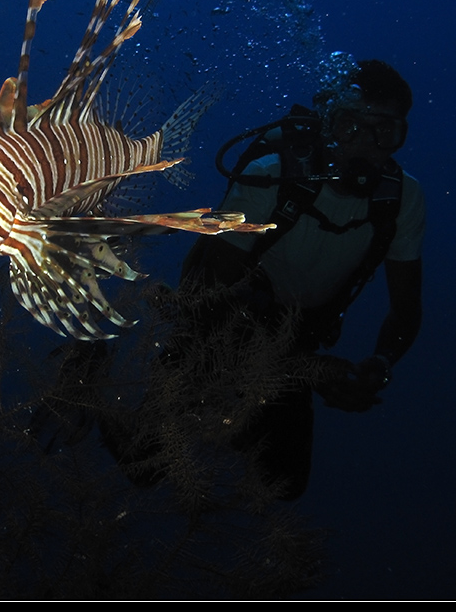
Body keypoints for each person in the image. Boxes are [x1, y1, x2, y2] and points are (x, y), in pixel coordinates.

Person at [166, 58, 426, 499]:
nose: (365, 145)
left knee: (282, 486)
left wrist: (379, 366)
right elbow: (211, 293)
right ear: (327, 125)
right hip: (220, 324)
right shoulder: (269, 176)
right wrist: (308, 370)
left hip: (295, 338)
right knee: (146, 464)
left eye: (385, 132)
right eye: (349, 127)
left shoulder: (403, 200)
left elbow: (406, 310)